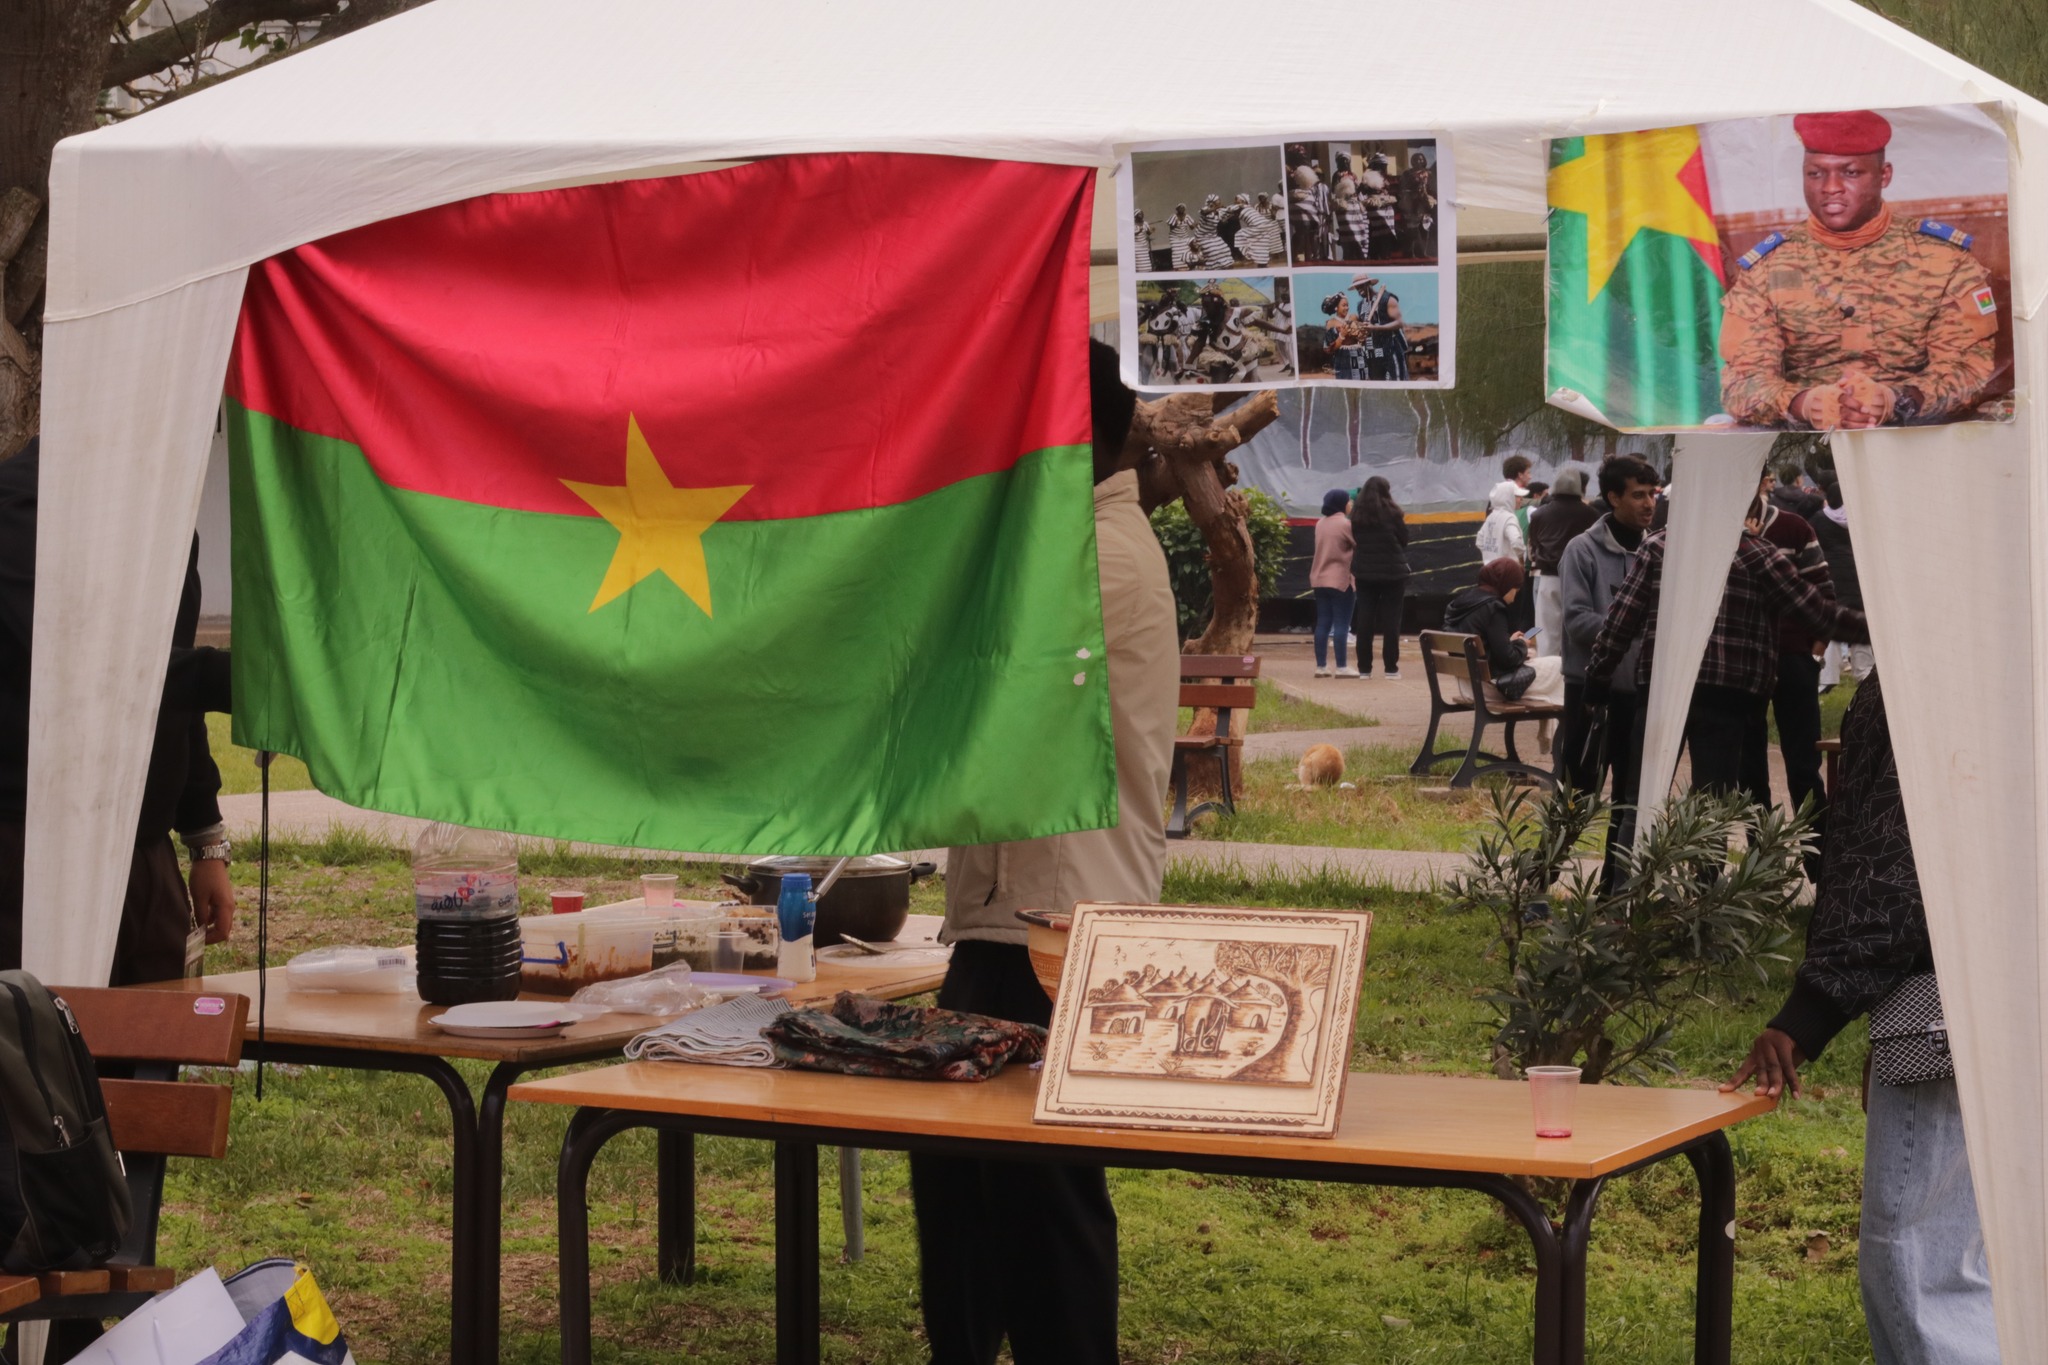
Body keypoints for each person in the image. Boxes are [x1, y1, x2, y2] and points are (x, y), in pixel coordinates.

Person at [911, 340, 1177, 1365]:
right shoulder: (1072, 540)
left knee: (1038, 1196)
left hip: (1054, 932)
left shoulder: (1095, 554)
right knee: (964, 1185)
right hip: (1010, 920)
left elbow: (988, 693)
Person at [1723, 674, 1998, 1365]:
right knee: (1976, 1253)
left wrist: (1807, 1015)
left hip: (1954, 996)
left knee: (1916, 1262)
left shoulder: (1931, 667)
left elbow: (1895, 865)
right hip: (1991, 991)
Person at [0, 439, 236, 980]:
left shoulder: (162, 517)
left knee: (153, 1047)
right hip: (28, 856)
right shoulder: (18, 509)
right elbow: (89, 662)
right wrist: (247, 682)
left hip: (142, 851)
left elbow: (172, 692)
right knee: (40, 1051)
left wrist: (205, 840)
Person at [1719, 109, 1998, 429]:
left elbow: (1970, 370)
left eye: (1850, 173)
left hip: (1914, 438)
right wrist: (1802, 403)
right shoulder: (1767, 268)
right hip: (1808, 438)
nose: (1831, 187)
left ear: (1884, 175)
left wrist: (1898, 400)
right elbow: (1741, 382)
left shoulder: (1946, 261)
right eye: (1816, 174)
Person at [1586, 510, 1868, 805]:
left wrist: (1597, 677)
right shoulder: (1756, 553)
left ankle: (1638, 849)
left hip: (1662, 688)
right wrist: (1884, 634)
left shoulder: (1660, 545)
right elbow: (1817, 613)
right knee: (1711, 809)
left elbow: (1619, 622)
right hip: (1725, 695)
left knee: (1641, 801)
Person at [1556, 454, 1658, 798]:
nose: (1649, 503)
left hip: (1640, 691)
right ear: (1614, 498)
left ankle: (1618, 856)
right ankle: (1553, 854)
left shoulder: (1657, 551)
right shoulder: (1581, 550)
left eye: (1652, 494)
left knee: (1630, 797)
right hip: (1590, 690)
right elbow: (1577, 620)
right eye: (1638, 495)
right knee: (1575, 794)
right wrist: (1632, 626)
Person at [1745, 476, 1834, 852]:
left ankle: (1822, 866)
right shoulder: (1716, 530)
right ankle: (1761, 867)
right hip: (1741, 663)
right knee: (1748, 770)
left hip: (1793, 658)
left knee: (1803, 766)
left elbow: (1823, 595)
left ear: (1761, 479)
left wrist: (1814, 655)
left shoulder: (1794, 527)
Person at [1443, 558, 1563, 708]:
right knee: (1559, 666)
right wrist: (1521, 645)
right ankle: (1554, 731)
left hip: (1468, 684)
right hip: (1492, 687)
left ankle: (1550, 732)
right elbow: (1508, 659)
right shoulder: (1494, 607)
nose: (1514, 598)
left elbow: (1489, 644)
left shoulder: (1460, 603)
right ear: (1506, 584)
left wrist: (1508, 641)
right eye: (1515, 590)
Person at [1526, 468, 1602, 662]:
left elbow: (1533, 546)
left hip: (1548, 578)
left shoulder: (1539, 515)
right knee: (1578, 631)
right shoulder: (1591, 514)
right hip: (1581, 578)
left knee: (1546, 632)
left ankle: (1547, 673)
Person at [1811, 474, 1874, 682]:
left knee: (1833, 622)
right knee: (1859, 619)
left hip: (1833, 574)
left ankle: (1827, 674)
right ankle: (1864, 670)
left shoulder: (1819, 519)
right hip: (1858, 574)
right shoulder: (1860, 518)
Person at [1348, 475, 1409, 679]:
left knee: (1365, 619)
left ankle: (1364, 668)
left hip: (1365, 573)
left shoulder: (1357, 515)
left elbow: (1356, 540)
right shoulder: (1393, 513)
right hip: (1394, 573)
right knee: (1392, 621)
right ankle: (1391, 668)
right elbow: (1404, 539)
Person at [1310, 488, 1356, 677]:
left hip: (1319, 579)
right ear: (1341, 504)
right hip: (1340, 580)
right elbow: (1357, 545)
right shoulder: (1346, 524)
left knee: (1323, 623)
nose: (1351, 504)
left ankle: (1321, 667)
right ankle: (1342, 666)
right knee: (1342, 624)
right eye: (1348, 501)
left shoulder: (1320, 524)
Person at [1356, 277, 1408, 380]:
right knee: (1377, 385)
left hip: (1390, 349)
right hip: (1372, 353)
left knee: (1397, 382)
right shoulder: (1361, 305)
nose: (1359, 289)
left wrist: (1377, 328)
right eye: (1357, 287)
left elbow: (1399, 323)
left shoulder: (1387, 299)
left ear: (1369, 284)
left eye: (1362, 285)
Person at [1474, 480, 1524, 567]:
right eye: (1517, 496)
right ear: (1509, 498)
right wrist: (1521, 561)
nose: (1521, 499)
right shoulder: (1509, 518)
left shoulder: (1491, 517)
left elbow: (1479, 541)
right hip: (1506, 571)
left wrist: (1490, 557)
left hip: (1489, 569)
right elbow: (1516, 542)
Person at [1397, 150, 1437, 258]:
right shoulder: (1407, 174)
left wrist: (1429, 196)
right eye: (1416, 159)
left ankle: (1422, 252)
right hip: (1412, 204)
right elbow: (1402, 188)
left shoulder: (1429, 174)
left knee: (1425, 228)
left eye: (1421, 159)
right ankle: (1410, 252)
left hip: (1425, 204)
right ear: (1412, 161)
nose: (1419, 161)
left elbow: (1432, 188)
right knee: (1412, 230)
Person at [1320, 293, 1365, 381]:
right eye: (1344, 305)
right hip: (1342, 358)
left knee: (1360, 382)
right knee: (1345, 383)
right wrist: (1342, 335)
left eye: (1347, 305)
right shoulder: (1331, 323)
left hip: (1358, 355)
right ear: (1336, 307)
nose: (1346, 308)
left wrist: (1361, 333)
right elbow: (1330, 349)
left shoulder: (1354, 317)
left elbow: (1364, 334)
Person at [1166, 202, 1198, 271]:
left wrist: (1195, 224)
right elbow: (1171, 226)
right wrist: (1177, 221)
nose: (1181, 209)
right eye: (1180, 208)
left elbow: (1191, 227)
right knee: (1176, 253)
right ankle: (1177, 267)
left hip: (1184, 237)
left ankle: (1186, 267)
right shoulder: (1173, 216)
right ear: (1177, 209)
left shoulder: (1187, 216)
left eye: (1183, 208)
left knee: (1186, 251)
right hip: (1175, 238)